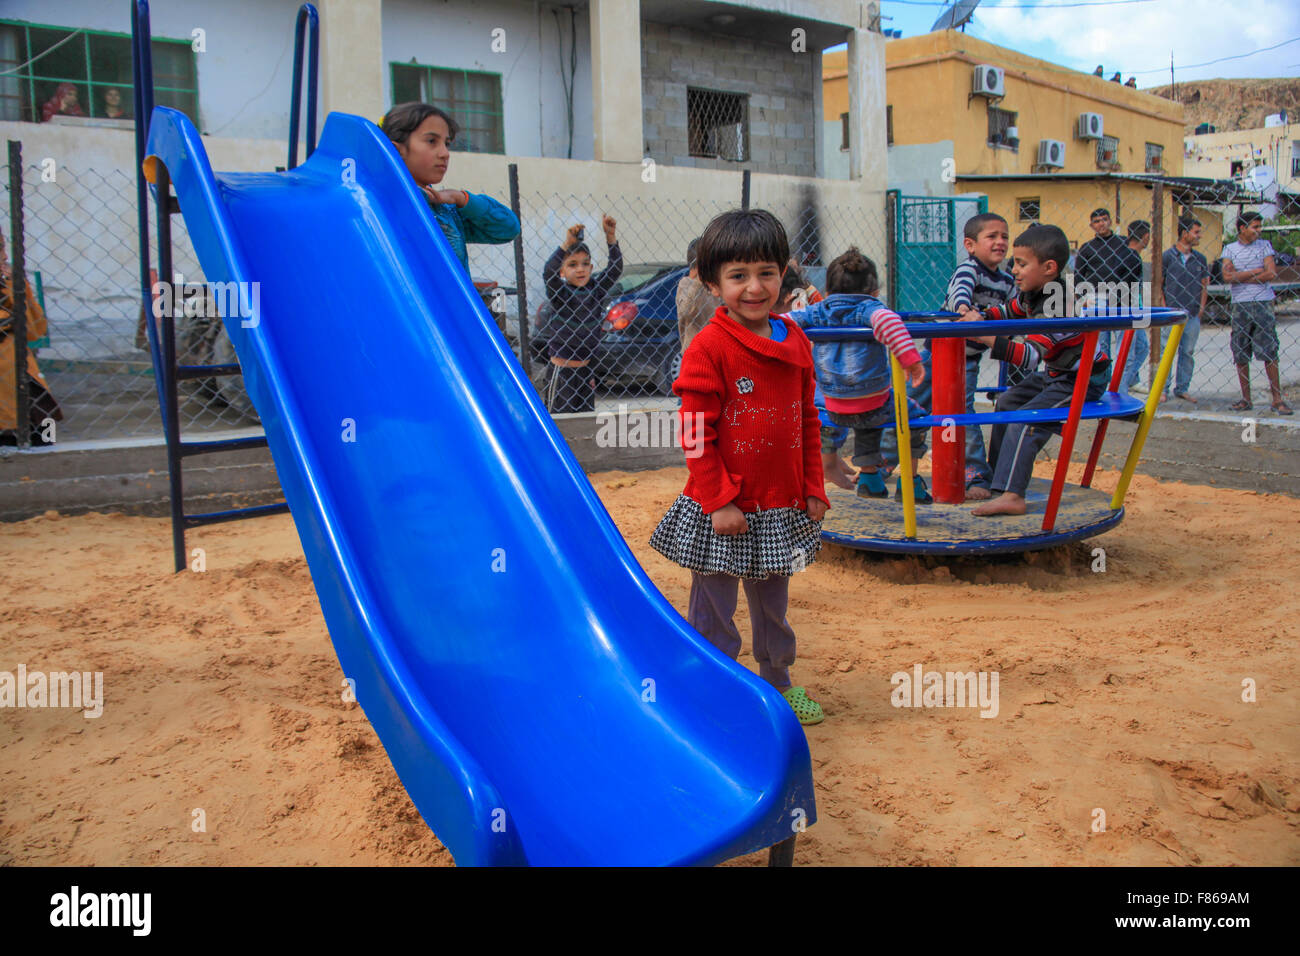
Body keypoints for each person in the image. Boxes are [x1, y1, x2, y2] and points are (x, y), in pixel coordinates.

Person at [649, 209, 828, 726]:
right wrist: (719, 499)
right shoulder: (709, 347)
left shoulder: (795, 341)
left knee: (773, 602)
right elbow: (695, 433)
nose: (755, 287)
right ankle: (713, 685)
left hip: (781, 505)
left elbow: (806, 420)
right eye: (738, 276)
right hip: (722, 508)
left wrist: (812, 485)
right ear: (712, 282)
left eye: (766, 273)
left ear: (785, 272)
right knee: (714, 607)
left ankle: (778, 680)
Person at [970, 225, 1111, 517]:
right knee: (1008, 403)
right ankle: (999, 482)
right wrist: (979, 316)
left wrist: (983, 335)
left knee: (1026, 422)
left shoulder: (1058, 304)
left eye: (1022, 264)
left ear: (1049, 268)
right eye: (1014, 263)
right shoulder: (1033, 293)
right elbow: (1007, 311)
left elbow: (1031, 356)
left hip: (1081, 379)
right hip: (1057, 374)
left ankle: (1013, 494)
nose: (1014, 270)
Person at [790, 247, 931, 503]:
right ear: (875, 293)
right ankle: (909, 482)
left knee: (868, 417)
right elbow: (889, 322)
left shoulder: (819, 311)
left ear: (829, 293)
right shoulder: (868, 309)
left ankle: (869, 479)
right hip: (874, 402)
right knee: (916, 416)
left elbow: (786, 320)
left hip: (833, 406)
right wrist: (911, 359)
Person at [379, 102, 519, 274]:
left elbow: (508, 228)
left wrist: (460, 198)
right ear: (396, 149)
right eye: (432, 141)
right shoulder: (379, 204)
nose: (445, 153)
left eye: (447, 143)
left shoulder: (445, 209)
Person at [946, 212, 1015, 501]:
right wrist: (964, 310)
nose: (1000, 242)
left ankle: (975, 473)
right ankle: (882, 464)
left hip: (968, 359)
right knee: (912, 407)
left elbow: (1014, 309)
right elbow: (958, 293)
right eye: (992, 236)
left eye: (1004, 237)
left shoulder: (1008, 280)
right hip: (939, 353)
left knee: (963, 412)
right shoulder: (969, 268)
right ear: (971, 245)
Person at [541, 216, 622, 413]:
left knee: (585, 422)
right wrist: (567, 243)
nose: (580, 269)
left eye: (585, 264)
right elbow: (548, 272)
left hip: (586, 372)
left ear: (592, 268)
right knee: (559, 423)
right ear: (562, 271)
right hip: (562, 373)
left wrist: (610, 238)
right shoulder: (561, 294)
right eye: (572, 264)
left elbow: (615, 268)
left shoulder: (595, 289)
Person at [1221, 212, 1290, 414]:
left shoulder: (1264, 246)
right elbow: (1227, 276)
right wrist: (1255, 272)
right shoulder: (1230, 249)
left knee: (1269, 349)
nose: (1259, 231)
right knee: (1240, 349)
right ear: (1242, 228)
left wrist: (1239, 275)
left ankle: (1277, 398)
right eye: (1255, 227)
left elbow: (1270, 272)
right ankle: (1246, 398)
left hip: (1262, 302)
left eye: (1259, 227)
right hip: (1240, 303)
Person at [1, 228, 62, 443]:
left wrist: (13, 287)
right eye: (0, 249)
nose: (6, 257)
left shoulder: (10, 283)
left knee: (46, 439)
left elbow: (36, 329)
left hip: (24, 389)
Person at [1160, 216, 1210, 402]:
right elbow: (1160, 283)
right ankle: (1162, 389)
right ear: (1184, 233)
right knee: (1167, 352)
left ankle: (1182, 387)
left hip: (1192, 312)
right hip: (1171, 314)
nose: (1200, 236)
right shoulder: (1167, 257)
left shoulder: (1200, 259)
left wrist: (1202, 307)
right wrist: (1164, 307)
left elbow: (1205, 284)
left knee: (1187, 352)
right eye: (1196, 232)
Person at [1117, 220, 1151, 394]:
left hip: (1133, 309)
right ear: (1146, 237)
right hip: (1126, 310)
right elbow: (1122, 288)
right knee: (1126, 355)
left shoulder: (1130, 256)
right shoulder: (1130, 257)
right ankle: (1119, 391)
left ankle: (1127, 381)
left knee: (1142, 347)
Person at [675, 237, 722, 354]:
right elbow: (686, 311)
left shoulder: (714, 285)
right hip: (695, 351)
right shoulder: (686, 283)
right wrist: (699, 280)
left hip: (716, 349)